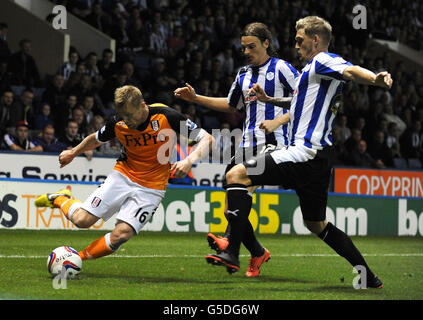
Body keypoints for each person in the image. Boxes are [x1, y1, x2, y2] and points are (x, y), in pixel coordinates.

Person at [205, 16, 392, 288]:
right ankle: (368, 276)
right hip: (320, 158)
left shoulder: (322, 60)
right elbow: (298, 102)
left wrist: (375, 77)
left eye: (299, 40)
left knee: (236, 176)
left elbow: (351, 71)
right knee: (317, 224)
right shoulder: (311, 72)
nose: (296, 45)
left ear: (315, 40)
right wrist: (270, 100)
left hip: (304, 152)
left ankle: (232, 252)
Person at [35, 85, 213, 262]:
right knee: (82, 220)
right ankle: (59, 198)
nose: (126, 120)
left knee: (122, 234)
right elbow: (95, 139)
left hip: (152, 187)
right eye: (123, 115)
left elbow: (207, 138)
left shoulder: (166, 116)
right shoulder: (118, 122)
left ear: (143, 105)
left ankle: (76, 259)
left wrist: (189, 160)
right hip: (123, 175)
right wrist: (73, 152)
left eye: (129, 115)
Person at [174, 22, 298, 277]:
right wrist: (196, 98)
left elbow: (303, 99)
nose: (247, 51)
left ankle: (230, 247)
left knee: (238, 185)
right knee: (232, 207)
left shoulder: (282, 68)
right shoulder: (243, 73)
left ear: (266, 43)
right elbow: (232, 105)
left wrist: (280, 121)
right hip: (246, 143)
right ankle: (256, 252)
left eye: (252, 46)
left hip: (273, 141)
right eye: (243, 47)